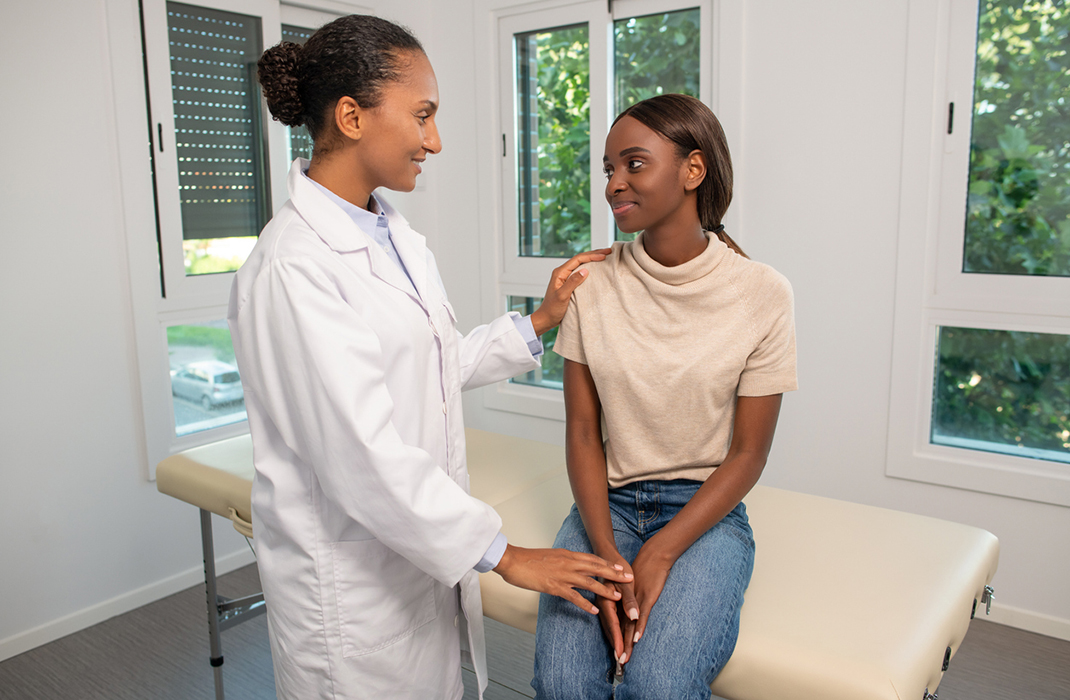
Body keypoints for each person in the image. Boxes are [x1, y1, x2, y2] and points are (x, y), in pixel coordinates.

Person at [227, 15, 631, 700]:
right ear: (352, 116)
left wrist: (539, 321)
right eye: (422, 116)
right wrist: (505, 555)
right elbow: (360, 454)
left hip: (411, 563)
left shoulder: (394, 236)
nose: (433, 141)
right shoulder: (293, 267)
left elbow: (429, 367)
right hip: (350, 600)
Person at [531, 93, 798, 700]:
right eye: (608, 169)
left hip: (704, 514)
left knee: (657, 686)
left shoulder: (761, 293)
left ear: (692, 170)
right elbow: (580, 433)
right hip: (608, 508)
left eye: (633, 164)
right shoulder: (591, 284)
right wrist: (606, 556)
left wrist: (660, 553)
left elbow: (748, 455)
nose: (614, 183)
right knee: (563, 685)